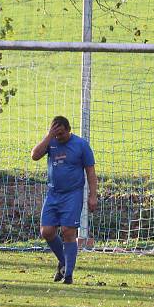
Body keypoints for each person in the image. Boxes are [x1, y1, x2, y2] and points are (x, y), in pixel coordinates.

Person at [31, 116, 98, 284]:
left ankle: (68, 275)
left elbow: (90, 172)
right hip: (53, 193)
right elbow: (34, 155)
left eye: (61, 133)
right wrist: (48, 136)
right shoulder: (51, 142)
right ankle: (63, 261)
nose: (58, 137)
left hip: (72, 194)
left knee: (68, 231)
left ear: (69, 130)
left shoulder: (81, 145)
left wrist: (93, 196)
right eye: (55, 133)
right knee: (46, 232)